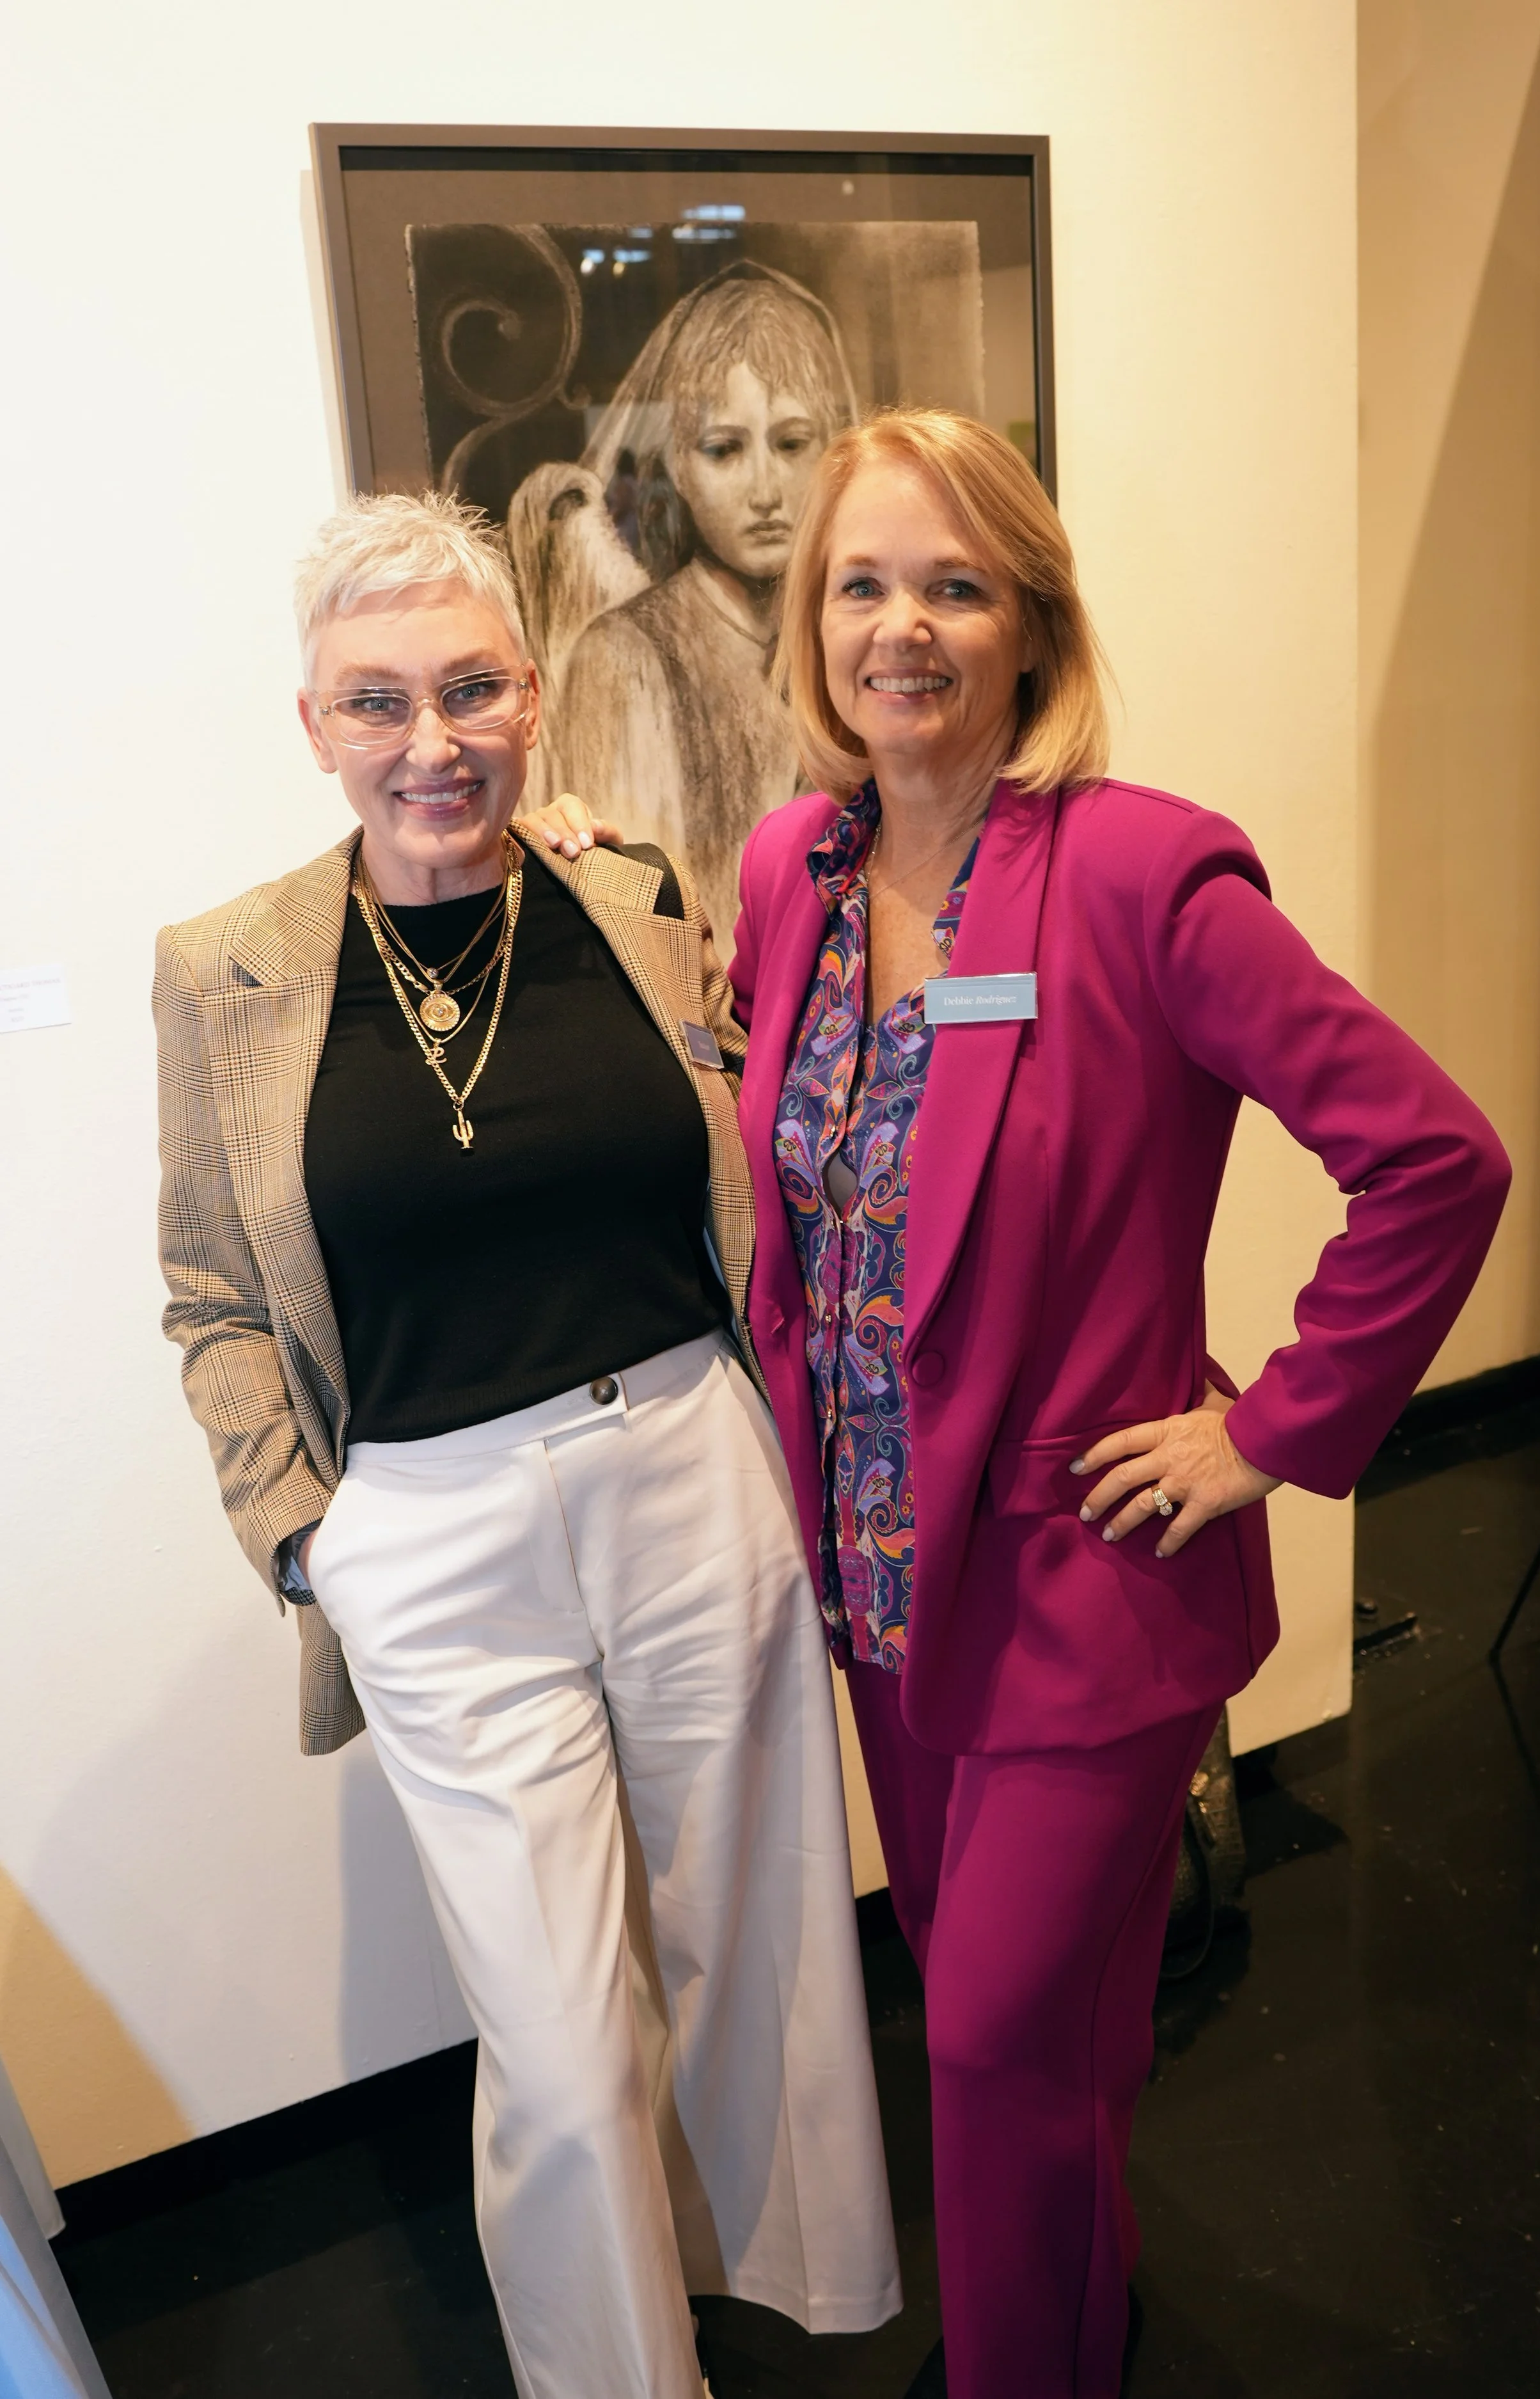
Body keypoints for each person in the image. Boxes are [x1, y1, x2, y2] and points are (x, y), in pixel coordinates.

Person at [548, 406, 1511, 2398]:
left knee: (988, 2033)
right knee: (1010, 2014)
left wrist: (1264, 1428)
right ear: (809, 621)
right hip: (884, 1581)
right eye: (859, 584)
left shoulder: (1145, 877)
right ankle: (1081, 2299)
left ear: (1030, 625)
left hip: (1087, 1578)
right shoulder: (792, 865)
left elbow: (1433, 1159)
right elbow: (791, 1163)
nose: (898, 627)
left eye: (952, 586)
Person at [152, 491, 899, 2399]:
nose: (433, 739)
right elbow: (212, 1294)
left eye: (471, 687)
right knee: (561, 2042)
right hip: (429, 1534)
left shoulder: (629, 896)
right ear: (313, 723)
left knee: (763, 1942)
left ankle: (785, 2301)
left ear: (533, 694)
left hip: (689, 1470)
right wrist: (306, 1534)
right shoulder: (224, 967)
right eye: (377, 699)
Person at [540, 261, 856, 947]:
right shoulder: (624, 659)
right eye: (724, 450)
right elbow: (638, 931)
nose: (766, 490)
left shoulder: (856, 642)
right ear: (678, 466)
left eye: (792, 443)